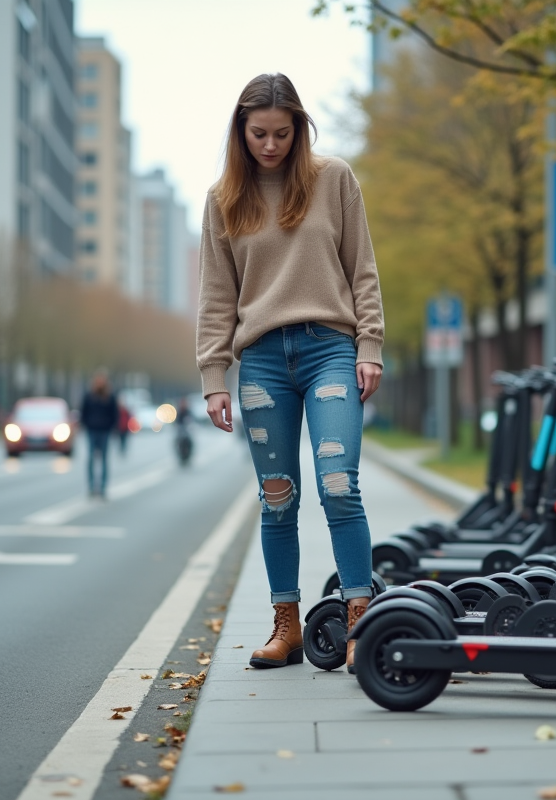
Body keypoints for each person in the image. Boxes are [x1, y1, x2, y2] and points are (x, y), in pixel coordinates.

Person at [198, 74, 384, 672]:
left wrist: (370, 344)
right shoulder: (224, 198)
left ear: (299, 129)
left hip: (330, 347)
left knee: (338, 484)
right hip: (262, 363)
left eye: (282, 133)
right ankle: (287, 625)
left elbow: (363, 270)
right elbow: (216, 297)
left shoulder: (334, 180)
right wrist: (213, 375)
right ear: (240, 131)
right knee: (277, 499)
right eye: (259, 134)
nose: (270, 145)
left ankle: (360, 619)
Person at [80, 370, 118, 497]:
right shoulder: (89, 396)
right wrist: (85, 425)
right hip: (92, 430)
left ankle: (102, 487)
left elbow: (114, 414)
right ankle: (91, 486)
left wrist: (112, 427)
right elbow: (83, 412)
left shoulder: (110, 397)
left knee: (104, 459)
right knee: (90, 458)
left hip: (105, 431)